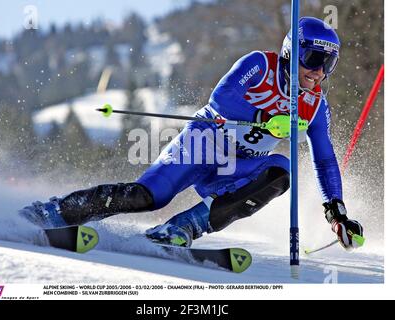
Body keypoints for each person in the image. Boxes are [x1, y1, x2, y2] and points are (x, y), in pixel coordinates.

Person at [20, 17, 363, 251]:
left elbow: (324, 158)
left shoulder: (315, 106)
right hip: (203, 143)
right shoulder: (260, 65)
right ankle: (58, 211)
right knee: (148, 197)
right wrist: (266, 116)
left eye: (327, 64)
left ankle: (181, 228)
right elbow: (223, 99)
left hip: (240, 167)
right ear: (292, 52)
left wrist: (336, 212)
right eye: (313, 58)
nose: (318, 72)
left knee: (281, 170)